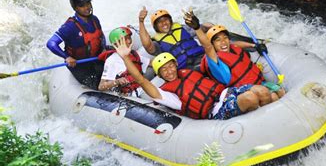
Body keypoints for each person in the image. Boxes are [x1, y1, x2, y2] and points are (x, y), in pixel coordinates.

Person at [112, 36, 276, 120]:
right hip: (215, 111)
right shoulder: (166, 94)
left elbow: (213, 51)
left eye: (170, 66)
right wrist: (126, 57)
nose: (168, 71)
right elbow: (141, 80)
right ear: (160, 75)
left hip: (226, 93)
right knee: (251, 98)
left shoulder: (188, 72)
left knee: (263, 92)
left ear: (176, 65)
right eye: (163, 70)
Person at [183, 10, 285, 101]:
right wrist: (197, 28)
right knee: (265, 93)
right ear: (213, 44)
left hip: (258, 83)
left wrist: (254, 45)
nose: (223, 42)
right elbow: (207, 47)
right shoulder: (213, 59)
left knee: (279, 93)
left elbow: (235, 44)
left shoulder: (231, 48)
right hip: (240, 92)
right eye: (218, 40)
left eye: (225, 38)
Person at [46, 0, 105, 89]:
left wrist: (103, 49)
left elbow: (101, 37)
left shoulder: (95, 20)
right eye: (82, 5)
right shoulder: (70, 26)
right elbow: (51, 43)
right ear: (75, 8)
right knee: (96, 85)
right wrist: (67, 57)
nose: (87, 7)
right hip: (79, 66)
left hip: (95, 60)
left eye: (88, 3)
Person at [137, 7, 204, 70]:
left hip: (201, 57)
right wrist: (141, 21)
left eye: (166, 19)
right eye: (159, 22)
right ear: (155, 27)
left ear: (170, 20)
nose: (164, 23)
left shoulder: (184, 28)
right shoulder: (157, 43)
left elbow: (202, 28)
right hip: (183, 69)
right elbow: (147, 46)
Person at [98, 27, 151, 97]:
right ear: (116, 44)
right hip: (130, 95)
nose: (129, 41)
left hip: (141, 87)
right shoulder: (112, 60)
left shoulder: (133, 54)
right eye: (125, 39)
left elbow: (151, 63)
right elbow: (101, 86)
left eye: (129, 38)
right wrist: (117, 82)